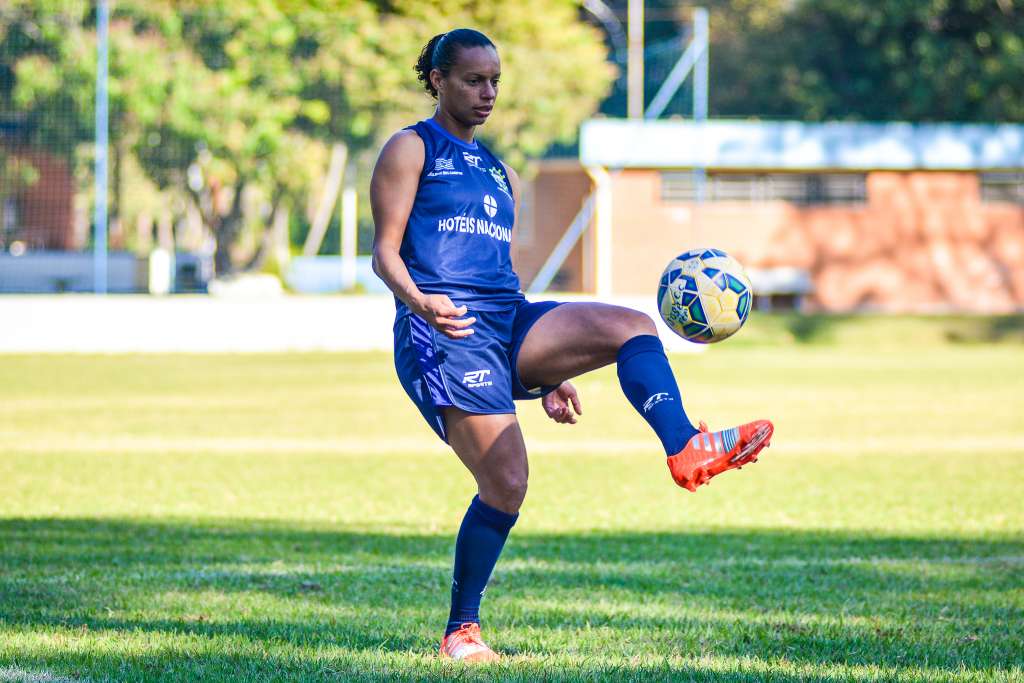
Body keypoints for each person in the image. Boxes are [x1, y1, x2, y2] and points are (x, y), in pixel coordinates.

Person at [370, 28, 773, 663]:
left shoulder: (499, 172)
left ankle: (686, 447)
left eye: (495, 80)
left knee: (631, 327)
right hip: (443, 332)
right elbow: (385, 254)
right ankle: (461, 633)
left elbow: (500, 276)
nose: (487, 92)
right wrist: (419, 302)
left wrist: (550, 368)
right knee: (507, 483)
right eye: (473, 80)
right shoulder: (410, 149)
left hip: (507, 318)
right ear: (438, 81)